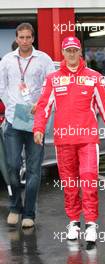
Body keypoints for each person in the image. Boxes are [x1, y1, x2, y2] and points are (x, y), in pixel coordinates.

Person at [33, 36, 105, 249]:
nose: (71, 54)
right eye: (68, 51)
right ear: (63, 53)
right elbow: (44, 105)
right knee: (70, 184)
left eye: (75, 50)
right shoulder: (53, 79)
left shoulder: (94, 77)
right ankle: (74, 222)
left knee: (89, 180)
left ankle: (90, 224)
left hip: (88, 140)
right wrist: (38, 128)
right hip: (64, 140)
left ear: (80, 52)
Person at [0, 23, 55, 228]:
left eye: (28, 37)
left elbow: (50, 86)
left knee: (33, 169)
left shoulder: (44, 60)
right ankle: (15, 207)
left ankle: (29, 213)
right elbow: (2, 87)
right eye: (21, 37)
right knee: (13, 166)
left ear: (33, 38)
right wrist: (12, 105)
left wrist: (38, 104)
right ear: (16, 38)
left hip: (36, 121)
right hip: (14, 120)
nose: (24, 41)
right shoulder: (7, 60)